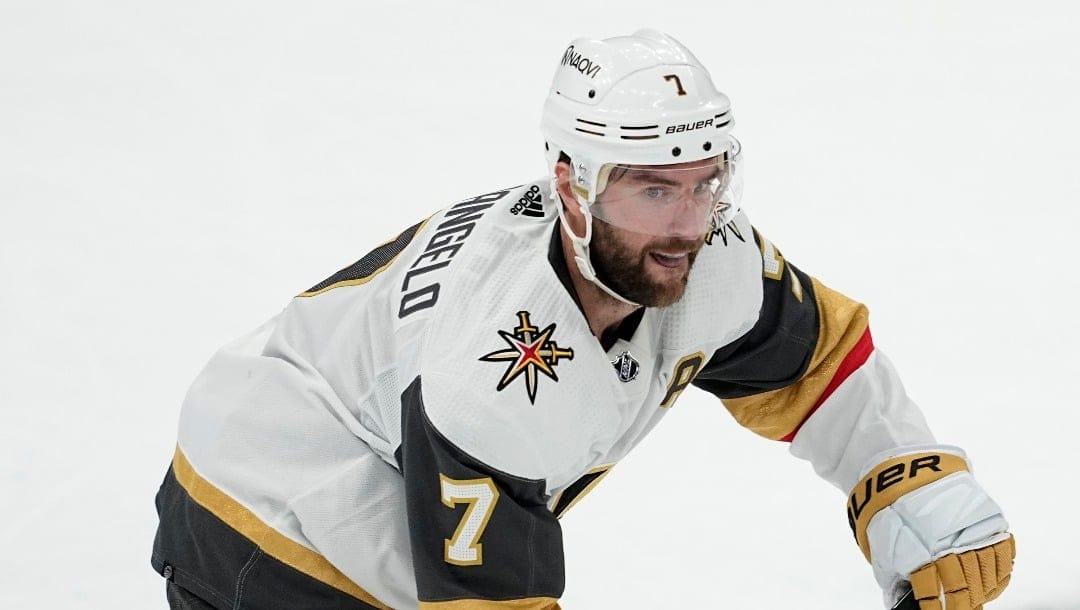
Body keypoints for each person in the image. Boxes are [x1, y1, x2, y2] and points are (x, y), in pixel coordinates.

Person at [151, 29, 1014, 610]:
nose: (686, 225)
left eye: (703, 182)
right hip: (269, 500)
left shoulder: (712, 257)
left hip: (382, 434)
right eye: (651, 189)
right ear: (572, 186)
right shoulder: (491, 381)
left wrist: (903, 472)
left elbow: (816, 366)